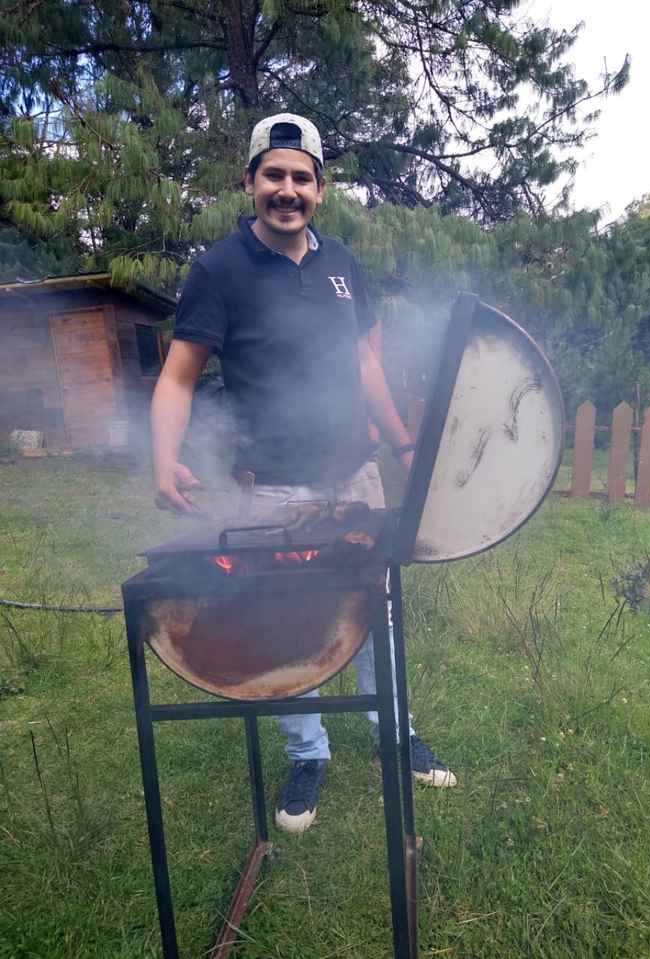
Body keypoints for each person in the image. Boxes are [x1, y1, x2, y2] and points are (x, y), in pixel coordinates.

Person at [151, 113, 457, 834]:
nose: (286, 191)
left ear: (321, 187)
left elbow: (365, 363)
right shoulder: (217, 269)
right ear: (251, 181)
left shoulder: (342, 265)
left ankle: (393, 729)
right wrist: (164, 456)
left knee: (376, 612)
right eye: (273, 175)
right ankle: (307, 751)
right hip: (274, 487)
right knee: (286, 619)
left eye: (300, 177)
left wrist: (404, 443)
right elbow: (178, 377)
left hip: (355, 476)